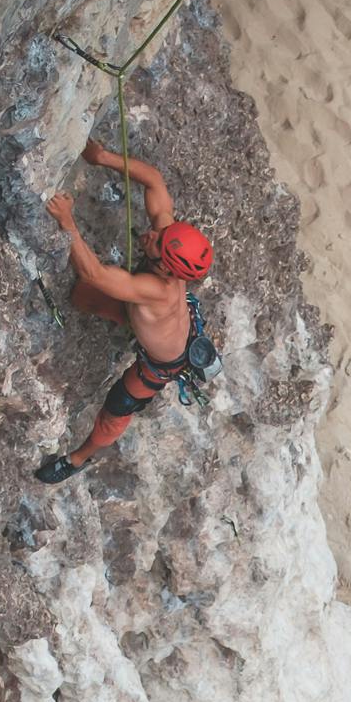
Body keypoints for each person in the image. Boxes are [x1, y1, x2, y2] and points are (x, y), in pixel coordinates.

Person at [34, 137, 214, 486]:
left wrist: (66, 222)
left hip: (162, 362)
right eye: (160, 234)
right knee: (81, 297)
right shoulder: (167, 244)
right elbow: (154, 181)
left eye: (156, 244)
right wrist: (102, 157)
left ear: (166, 269)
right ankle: (130, 322)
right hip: (165, 324)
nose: (149, 234)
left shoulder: (155, 290)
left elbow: (96, 273)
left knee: (116, 411)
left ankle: (77, 459)